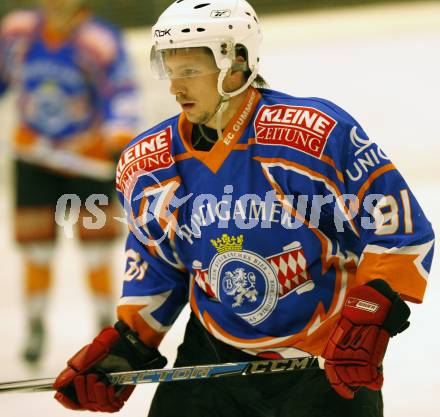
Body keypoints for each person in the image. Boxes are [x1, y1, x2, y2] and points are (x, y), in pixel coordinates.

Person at [52, 0, 435, 416]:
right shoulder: (149, 163)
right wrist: (126, 346)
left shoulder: (309, 135)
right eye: (171, 70)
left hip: (325, 363)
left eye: (190, 71)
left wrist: (370, 315)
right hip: (214, 363)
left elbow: (397, 228)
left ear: (236, 63)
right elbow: (160, 263)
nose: (175, 88)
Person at [0, 0, 138, 364]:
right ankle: (34, 325)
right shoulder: (17, 32)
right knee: (36, 251)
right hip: (33, 160)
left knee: (96, 252)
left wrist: (116, 138)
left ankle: (104, 327)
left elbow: (122, 93)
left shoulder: (99, 40)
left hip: (86, 162)